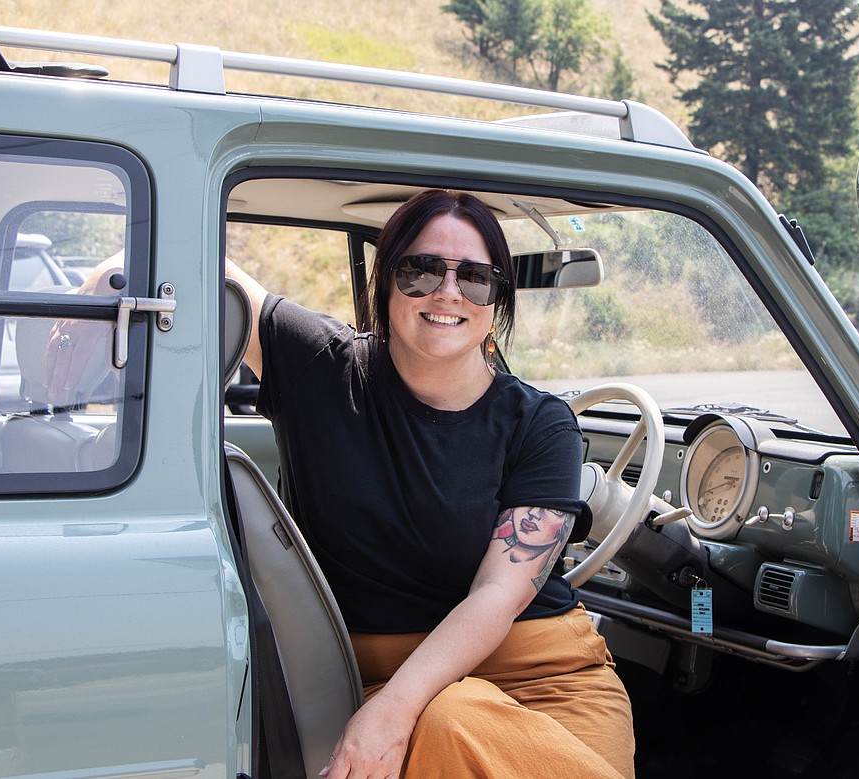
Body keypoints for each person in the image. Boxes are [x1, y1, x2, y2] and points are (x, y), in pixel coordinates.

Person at [224, 188, 635, 779]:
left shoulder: (541, 424)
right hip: (379, 679)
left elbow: (501, 593)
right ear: (387, 281)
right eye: (421, 271)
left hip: (546, 680)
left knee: (455, 715)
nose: (447, 293)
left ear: (497, 299)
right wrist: (78, 314)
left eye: (474, 277)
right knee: (452, 715)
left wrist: (391, 714)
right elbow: (192, 265)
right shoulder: (319, 365)